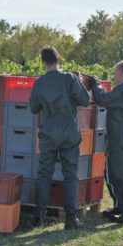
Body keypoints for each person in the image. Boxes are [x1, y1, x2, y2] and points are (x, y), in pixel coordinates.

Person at [29, 46, 90, 229]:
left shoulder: (39, 83)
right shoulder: (69, 78)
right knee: (70, 175)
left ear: (43, 63)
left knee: (44, 174)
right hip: (69, 133)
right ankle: (71, 219)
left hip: (48, 133)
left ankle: (39, 217)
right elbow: (85, 101)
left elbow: (33, 108)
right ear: (59, 59)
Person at [90, 60, 123, 223]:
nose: (113, 75)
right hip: (121, 134)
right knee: (113, 172)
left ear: (122, 73)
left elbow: (102, 98)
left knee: (122, 175)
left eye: (115, 72)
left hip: (120, 135)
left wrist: (94, 82)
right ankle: (122, 207)